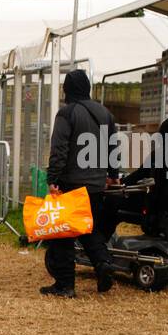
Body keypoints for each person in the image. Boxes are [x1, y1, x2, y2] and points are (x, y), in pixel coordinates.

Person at [42, 69, 119, 297]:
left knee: (63, 235)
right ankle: (104, 263)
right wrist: (113, 174)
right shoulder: (105, 114)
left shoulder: (67, 113)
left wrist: (53, 178)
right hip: (96, 185)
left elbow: (60, 149)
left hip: (71, 183)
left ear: (67, 89)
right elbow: (112, 147)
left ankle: (65, 285)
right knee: (88, 229)